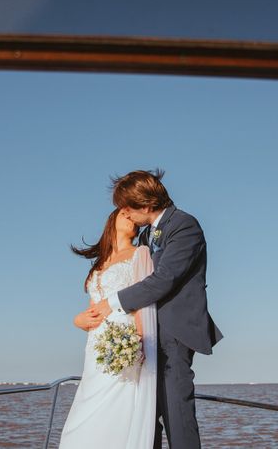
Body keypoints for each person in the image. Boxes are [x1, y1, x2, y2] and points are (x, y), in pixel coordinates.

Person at [89, 169, 223, 449]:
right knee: (145, 418)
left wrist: (111, 303)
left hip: (173, 335)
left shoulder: (185, 226)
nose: (124, 214)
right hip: (146, 336)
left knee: (177, 415)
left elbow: (164, 280)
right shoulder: (147, 235)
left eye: (127, 207)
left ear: (147, 204)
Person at [59, 209, 158, 448]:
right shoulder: (99, 264)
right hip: (96, 348)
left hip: (124, 344)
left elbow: (144, 305)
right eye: (125, 212)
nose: (131, 216)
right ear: (112, 219)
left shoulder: (140, 254)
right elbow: (92, 310)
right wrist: (77, 321)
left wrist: (139, 345)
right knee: (86, 408)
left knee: (116, 409)